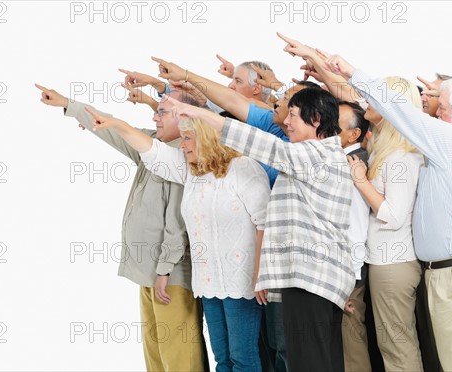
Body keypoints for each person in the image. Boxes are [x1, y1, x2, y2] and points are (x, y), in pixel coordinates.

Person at [152, 56, 355, 371]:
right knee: (316, 361)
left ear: (316, 119)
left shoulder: (315, 154)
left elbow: (263, 145)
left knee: (308, 363)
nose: (285, 121)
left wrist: (195, 112)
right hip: (307, 280)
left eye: (294, 116)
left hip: (312, 279)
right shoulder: (314, 155)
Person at [35, 83, 208, 371]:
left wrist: (164, 269)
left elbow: (179, 223)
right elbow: (117, 130)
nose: (155, 116)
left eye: (162, 111)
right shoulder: (155, 144)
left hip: (171, 276)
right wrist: (68, 104)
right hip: (150, 272)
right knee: (156, 356)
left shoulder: (183, 156)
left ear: (185, 116)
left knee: (179, 357)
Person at [87, 108, 270, 372]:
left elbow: (264, 223)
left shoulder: (244, 169)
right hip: (208, 284)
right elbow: (153, 151)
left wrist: (260, 275)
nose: (181, 145)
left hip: (242, 283)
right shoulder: (192, 171)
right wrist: (118, 123)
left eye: (187, 138)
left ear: (206, 136)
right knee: (223, 360)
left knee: (243, 359)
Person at [323, 54, 452, 372]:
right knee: (421, 351)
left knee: (406, 351)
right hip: (431, 270)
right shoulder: (425, 150)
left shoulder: (438, 147)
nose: (434, 112)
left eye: (441, 107)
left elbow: (394, 214)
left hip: (418, 268)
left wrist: (361, 182)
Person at [347, 76, 425, 372]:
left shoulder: (402, 157)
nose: (367, 100)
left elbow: (393, 215)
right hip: (385, 262)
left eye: (375, 96)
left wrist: (361, 182)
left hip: (394, 264)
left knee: (397, 347)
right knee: (392, 345)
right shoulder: (388, 150)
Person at [338, 101, 372, 372]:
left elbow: (356, 224)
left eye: (334, 124)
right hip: (343, 269)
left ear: (354, 134)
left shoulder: (356, 162)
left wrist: (348, 277)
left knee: (352, 343)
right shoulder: (342, 160)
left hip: (350, 271)